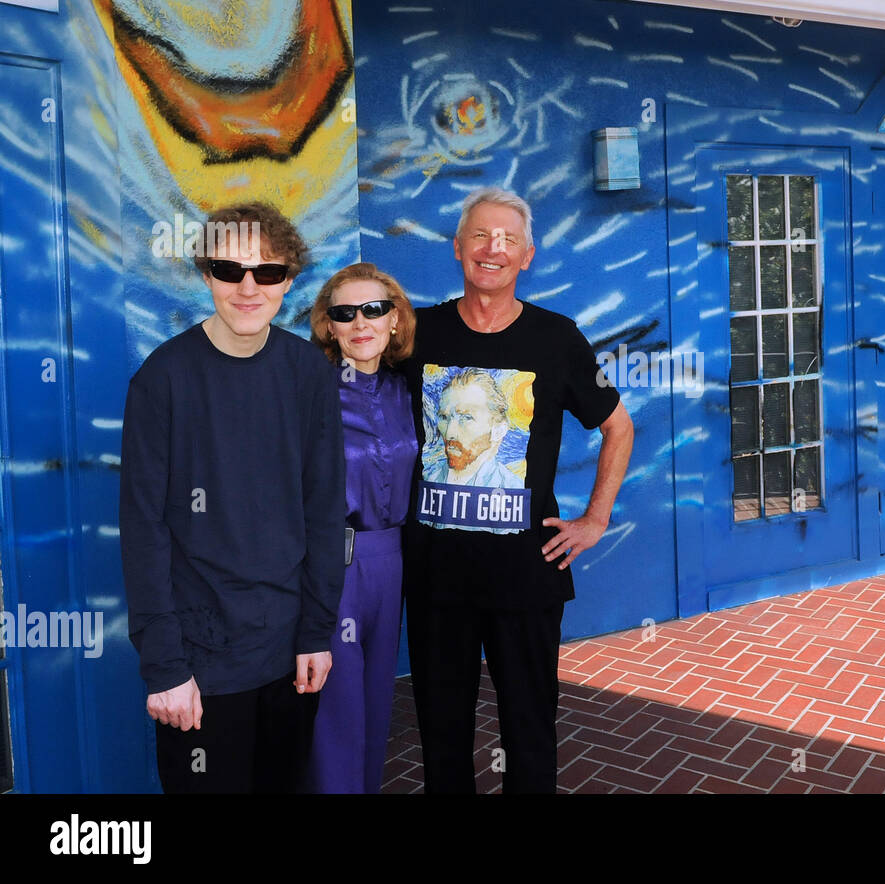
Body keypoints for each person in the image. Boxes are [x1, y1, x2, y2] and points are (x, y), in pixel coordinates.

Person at [402, 186, 634, 794]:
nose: (493, 249)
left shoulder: (557, 339)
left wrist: (596, 519)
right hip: (435, 576)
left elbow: (618, 426)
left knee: (529, 731)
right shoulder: (416, 335)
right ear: (457, 248)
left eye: (508, 239)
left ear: (527, 256)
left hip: (526, 575)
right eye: (480, 235)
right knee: (441, 733)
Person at [119, 202, 345, 794]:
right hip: (200, 662)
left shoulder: (308, 374)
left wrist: (317, 632)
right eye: (229, 269)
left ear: (289, 281)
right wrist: (165, 666)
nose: (249, 287)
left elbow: (324, 513)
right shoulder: (161, 379)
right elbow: (143, 530)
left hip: (290, 655)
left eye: (267, 273)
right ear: (206, 275)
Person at [306, 263, 418, 794]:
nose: (360, 322)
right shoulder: (310, 393)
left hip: (391, 562)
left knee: (377, 704)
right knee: (337, 711)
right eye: (344, 313)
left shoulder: (408, 390)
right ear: (329, 327)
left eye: (374, 309)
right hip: (334, 564)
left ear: (395, 319)